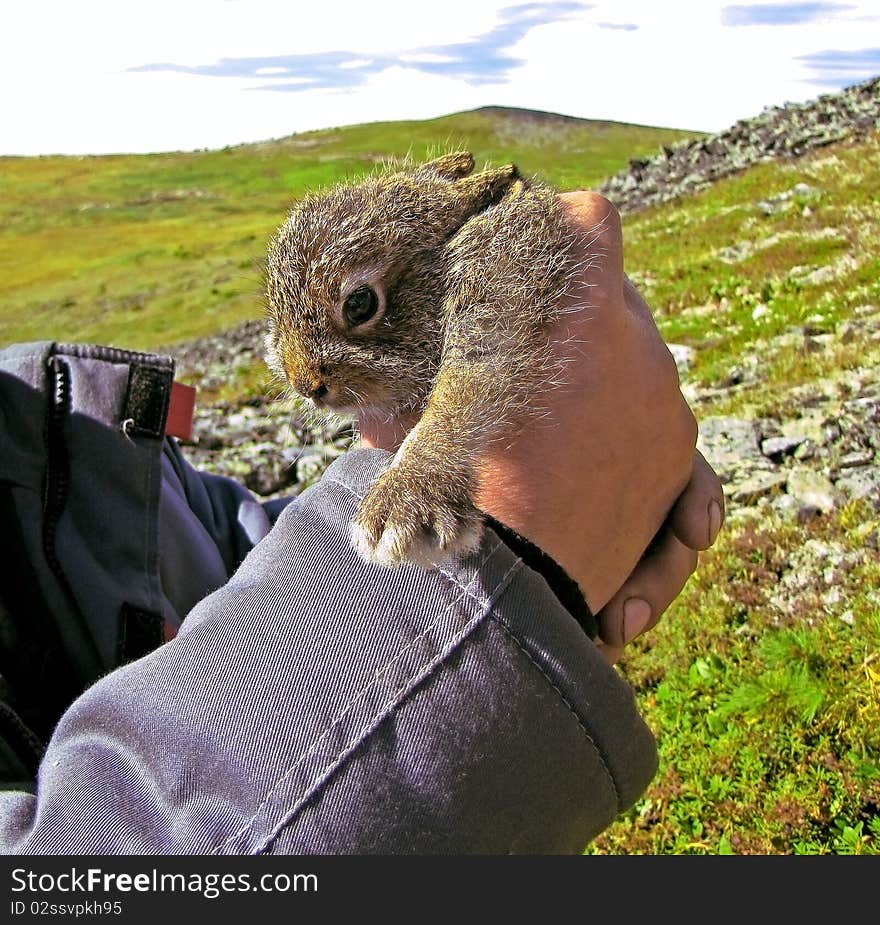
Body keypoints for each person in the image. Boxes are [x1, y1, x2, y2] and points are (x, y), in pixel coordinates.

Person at [0, 191, 723, 854]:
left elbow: (228, 546)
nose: (310, 385)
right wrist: (477, 596)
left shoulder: (60, 439)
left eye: (359, 305)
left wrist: (569, 522)